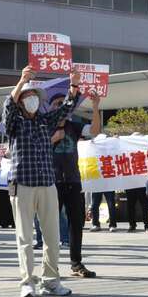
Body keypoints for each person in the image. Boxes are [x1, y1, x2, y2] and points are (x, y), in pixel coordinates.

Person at [4, 65, 80, 297]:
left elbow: (67, 108)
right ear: (20, 101)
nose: (32, 101)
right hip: (22, 184)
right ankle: (27, 282)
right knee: (25, 238)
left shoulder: (45, 121)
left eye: (34, 97)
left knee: (52, 237)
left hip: (47, 183)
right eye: (27, 97)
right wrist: (21, 81)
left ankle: (51, 281)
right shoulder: (14, 123)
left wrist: (74, 85)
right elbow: (7, 108)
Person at [49, 91, 100, 277]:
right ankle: (50, 265)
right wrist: (53, 139)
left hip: (73, 181)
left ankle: (76, 263)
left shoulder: (74, 127)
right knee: (51, 225)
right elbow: (34, 149)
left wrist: (95, 107)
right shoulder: (44, 126)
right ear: (51, 108)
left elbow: (94, 131)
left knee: (76, 223)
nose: (61, 106)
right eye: (57, 103)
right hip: (51, 183)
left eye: (64, 103)